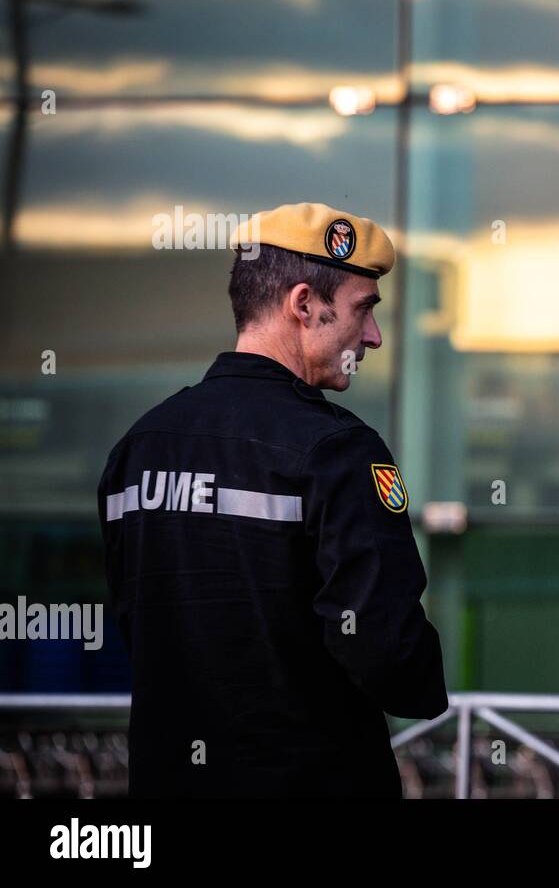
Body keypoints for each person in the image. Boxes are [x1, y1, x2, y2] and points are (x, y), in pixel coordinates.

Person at [98, 203, 448, 797]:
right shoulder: (338, 449)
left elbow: (141, 625)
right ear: (304, 303)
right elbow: (386, 648)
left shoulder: (139, 446)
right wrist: (421, 682)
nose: (374, 336)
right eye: (364, 309)